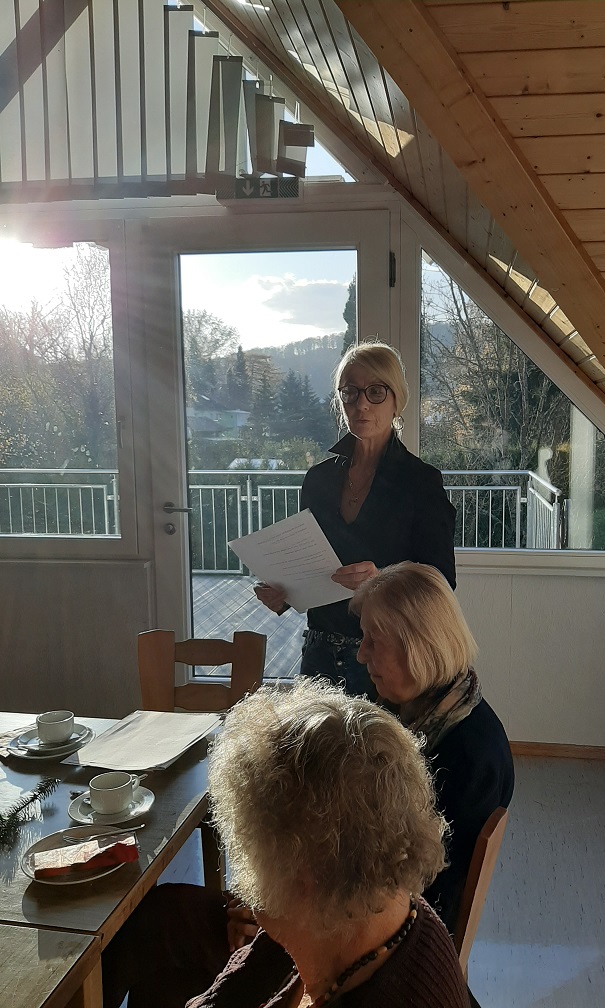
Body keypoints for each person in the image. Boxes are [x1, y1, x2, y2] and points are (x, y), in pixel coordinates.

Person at [124, 681, 470, 1008]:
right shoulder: (360, 904)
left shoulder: (324, 919)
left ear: (300, 875)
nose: (243, 879)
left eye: (249, 852)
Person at [254, 340, 456, 699]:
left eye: (375, 391)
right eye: (350, 392)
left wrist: (382, 580)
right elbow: (309, 564)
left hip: (385, 652)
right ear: (340, 401)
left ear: (396, 401)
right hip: (318, 650)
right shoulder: (318, 480)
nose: (361, 404)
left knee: (377, 740)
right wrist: (283, 595)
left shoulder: (420, 482)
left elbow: (441, 581)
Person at [352, 561, 515, 929]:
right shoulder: (421, 711)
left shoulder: (467, 756)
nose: (361, 654)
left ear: (418, 646)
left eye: (374, 640)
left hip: (411, 935)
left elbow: (428, 893)